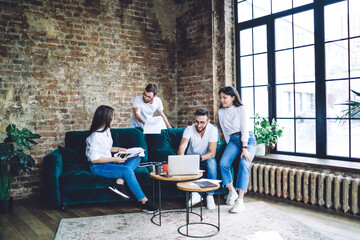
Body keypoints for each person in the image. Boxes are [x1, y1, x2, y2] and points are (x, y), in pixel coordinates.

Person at [86, 105, 158, 213]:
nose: (113, 118)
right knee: (127, 171)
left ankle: (119, 182)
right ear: (106, 118)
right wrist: (114, 160)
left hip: (108, 161)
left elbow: (106, 148)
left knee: (137, 156)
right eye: (112, 116)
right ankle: (144, 201)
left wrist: (119, 149)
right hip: (98, 166)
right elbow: (94, 160)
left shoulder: (107, 131)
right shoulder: (95, 136)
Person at [218, 86, 256, 213]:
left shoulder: (241, 109)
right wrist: (230, 146)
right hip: (233, 141)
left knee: (244, 163)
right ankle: (231, 191)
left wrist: (244, 148)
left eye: (225, 97)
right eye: (221, 98)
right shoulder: (221, 112)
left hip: (248, 140)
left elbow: (245, 129)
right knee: (223, 163)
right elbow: (225, 130)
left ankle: (240, 200)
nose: (222, 100)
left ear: (233, 97)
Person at [177, 108, 219, 210]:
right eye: (196, 122)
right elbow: (182, 147)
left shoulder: (213, 130)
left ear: (208, 121)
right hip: (191, 160)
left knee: (212, 163)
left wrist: (198, 158)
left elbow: (212, 153)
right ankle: (195, 193)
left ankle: (210, 196)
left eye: (202, 123)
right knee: (186, 165)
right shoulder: (189, 129)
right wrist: (181, 158)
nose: (198, 125)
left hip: (205, 158)